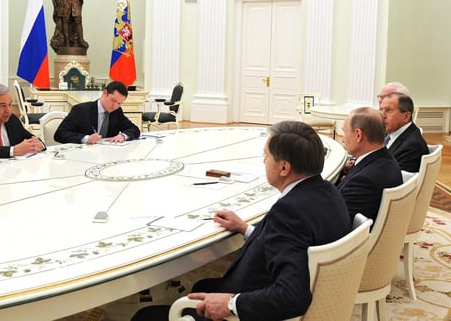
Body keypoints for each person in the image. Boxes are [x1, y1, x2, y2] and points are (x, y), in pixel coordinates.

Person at [131, 121, 351, 321]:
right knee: (202, 285)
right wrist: (245, 229)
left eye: (266, 156)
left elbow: (292, 296)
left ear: (284, 167)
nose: (263, 161)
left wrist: (230, 304)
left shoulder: (289, 211)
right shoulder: (329, 191)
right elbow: (293, 242)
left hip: (249, 310)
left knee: (145, 316)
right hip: (291, 292)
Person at [337, 107, 403, 224]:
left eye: (345, 132)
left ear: (358, 135)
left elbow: (337, 223)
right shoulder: (385, 159)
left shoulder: (365, 180)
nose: (343, 139)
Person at [54, 81, 140, 144]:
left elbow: (134, 129)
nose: (115, 106)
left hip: (107, 155)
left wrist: (123, 136)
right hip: (83, 156)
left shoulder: (117, 112)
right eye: (113, 100)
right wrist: (86, 139)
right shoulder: (81, 110)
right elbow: (60, 134)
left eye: (119, 103)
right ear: (105, 93)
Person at [381, 93, 428, 172]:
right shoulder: (388, 132)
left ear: (406, 116)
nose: (382, 115)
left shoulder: (412, 146)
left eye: (388, 110)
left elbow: (393, 179)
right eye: (381, 109)